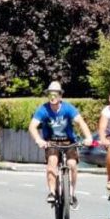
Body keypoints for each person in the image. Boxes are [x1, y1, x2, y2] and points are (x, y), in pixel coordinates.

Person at [28, 81, 94, 210]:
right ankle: (52, 192)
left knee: (72, 164)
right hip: (51, 142)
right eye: (50, 94)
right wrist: (38, 139)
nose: (53, 97)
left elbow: (81, 122)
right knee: (52, 161)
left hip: (69, 141)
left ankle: (72, 193)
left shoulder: (68, 108)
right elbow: (32, 126)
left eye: (56, 94)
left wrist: (88, 138)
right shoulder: (43, 109)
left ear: (60, 96)